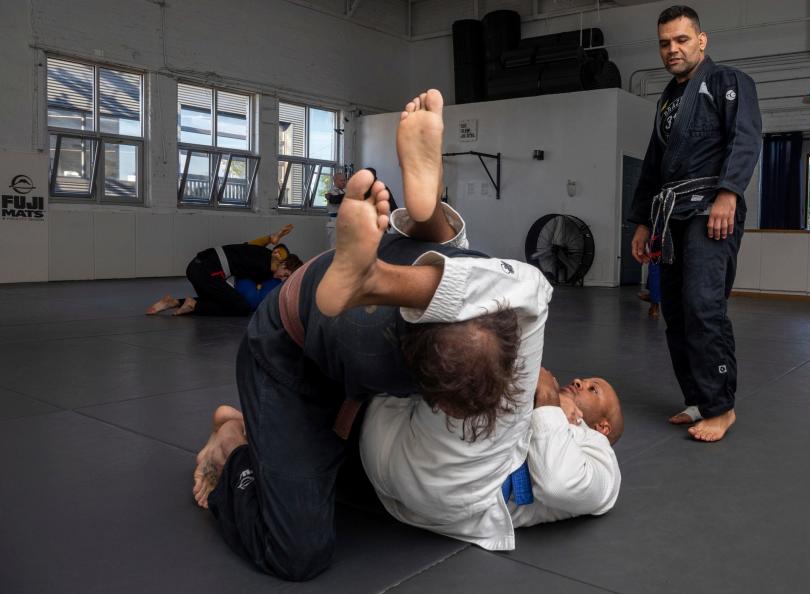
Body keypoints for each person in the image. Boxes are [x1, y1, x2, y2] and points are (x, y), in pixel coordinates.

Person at [191, 90, 558, 581]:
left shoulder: (514, 315)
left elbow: (525, 296)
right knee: (296, 552)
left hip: (384, 297)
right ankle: (235, 441)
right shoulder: (383, 347)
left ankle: (426, 220)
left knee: (495, 288)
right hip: (292, 347)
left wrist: (547, 397)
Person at [628, 5, 762, 442]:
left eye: (682, 40)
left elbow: (745, 138)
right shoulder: (667, 100)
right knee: (678, 313)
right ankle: (697, 399)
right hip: (670, 215)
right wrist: (643, 222)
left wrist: (728, 194)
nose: (673, 49)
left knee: (704, 307)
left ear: (701, 41)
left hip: (710, 210)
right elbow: (654, 164)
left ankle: (721, 407)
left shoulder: (729, 82)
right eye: (665, 43)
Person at [361, 364, 622, 542]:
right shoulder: (553, 412)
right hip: (394, 445)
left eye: (593, 389)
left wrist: (546, 394)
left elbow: (560, 484)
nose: (578, 381)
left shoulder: (603, 464)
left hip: (436, 480)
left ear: (603, 427)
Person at [146, 225, 303, 317]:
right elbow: (277, 260)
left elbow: (249, 244)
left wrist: (270, 238)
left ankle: (173, 302)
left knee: (222, 299)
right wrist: (275, 245)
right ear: (283, 264)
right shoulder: (271, 263)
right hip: (206, 271)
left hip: (197, 266)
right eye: (286, 275)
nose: (282, 279)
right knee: (242, 307)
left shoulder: (256, 253)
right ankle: (194, 305)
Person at [324, 171, 346, 248]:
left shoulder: (345, 191)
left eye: (344, 180)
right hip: (335, 223)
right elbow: (336, 200)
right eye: (341, 180)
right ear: (335, 181)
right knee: (335, 249)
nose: (344, 182)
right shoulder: (332, 191)